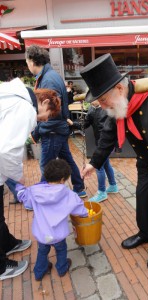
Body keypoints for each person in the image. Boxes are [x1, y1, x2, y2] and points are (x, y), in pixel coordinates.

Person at [79, 53, 148, 271]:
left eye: (103, 100)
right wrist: (94, 163)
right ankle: (145, 233)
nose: (102, 106)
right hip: (147, 165)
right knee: (143, 202)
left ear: (120, 89)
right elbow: (108, 137)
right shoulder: (117, 107)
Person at [0, 78, 61, 280]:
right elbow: (7, 150)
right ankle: (1, 267)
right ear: (43, 102)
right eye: (46, 116)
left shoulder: (12, 95)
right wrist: (19, 177)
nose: (43, 120)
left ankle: (7, 243)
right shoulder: (25, 108)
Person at [25, 44, 87, 198]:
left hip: (52, 131)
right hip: (57, 129)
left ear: (32, 61)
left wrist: (37, 133)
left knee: (46, 166)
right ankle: (79, 188)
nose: (27, 64)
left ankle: (42, 196)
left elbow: (51, 115)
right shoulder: (50, 76)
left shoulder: (48, 80)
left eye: (27, 61)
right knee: (67, 160)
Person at [16, 159, 88, 280]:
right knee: (61, 251)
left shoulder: (34, 191)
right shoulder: (70, 195)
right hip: (58, 235)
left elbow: (23, 197)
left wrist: (20, 186)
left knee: (42, 252)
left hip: (42, 234)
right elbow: (79, 209)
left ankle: (39, 272)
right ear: (62, 180)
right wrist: (85, 214)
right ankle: (62, 268)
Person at [73, 99, 118, 202]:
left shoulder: (108, 108)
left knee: (99, 167)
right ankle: (113, 185)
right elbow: (85, 124)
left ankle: (102, 192)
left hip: (106, 144)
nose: (91, 102)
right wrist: (73, 123)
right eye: (90, 100)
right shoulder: (92, 109)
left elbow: (110, 130)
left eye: (93, 99)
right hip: (100, 143)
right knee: (106, 164)